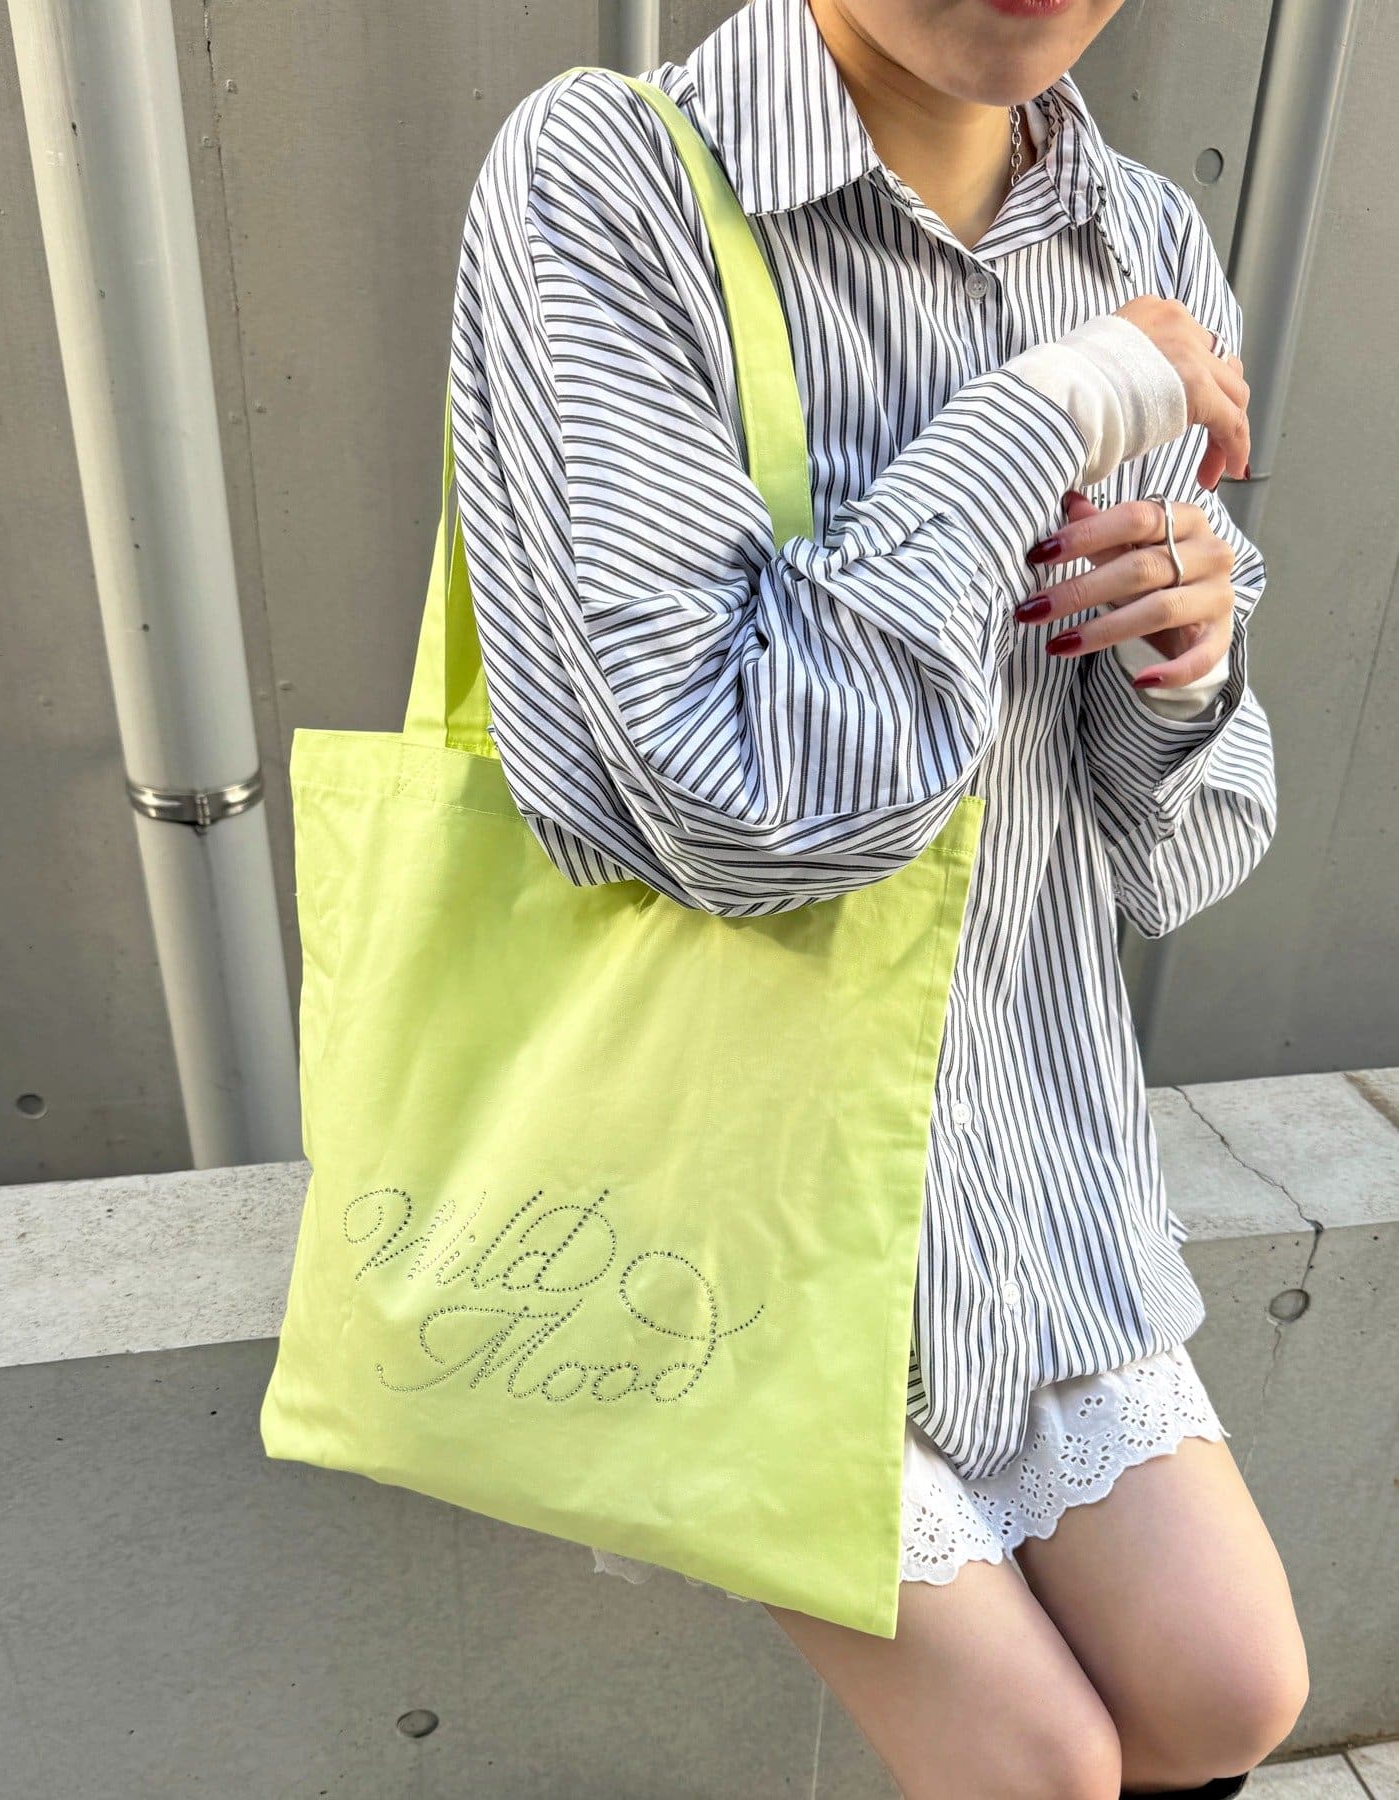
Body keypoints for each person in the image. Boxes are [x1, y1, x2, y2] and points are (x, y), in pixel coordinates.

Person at [445, 0, 1309, 1792]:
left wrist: (1185, 666)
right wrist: (1048, 410)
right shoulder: (610, 180)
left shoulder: (1142, 240)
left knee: (1228, 1692)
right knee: (1036, 1760)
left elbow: (1170, 858)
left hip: (1027, 1151)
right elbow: (743, 809)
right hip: (714, 1184)